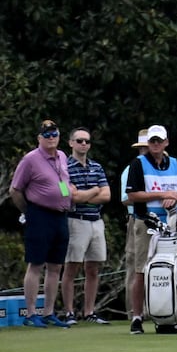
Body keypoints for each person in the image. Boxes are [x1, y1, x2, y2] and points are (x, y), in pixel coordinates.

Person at [122, 124, 177, 334]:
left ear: (166, 142)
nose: (156, 144)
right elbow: (132, 195)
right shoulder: (138, 164)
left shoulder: (175, 164)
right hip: (146, 222)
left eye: (159, 140)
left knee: (175, 266)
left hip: (171, 222)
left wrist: (174, 198)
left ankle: (176, 312)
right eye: (152, 141)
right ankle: (137, 317)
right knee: (142, 269)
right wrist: (162, 195)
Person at [8, 120, 76, 327]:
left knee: (55, 266)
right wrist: (28, 212)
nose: (51, 138)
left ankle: (48, 312)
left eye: (54, 134)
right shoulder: (30, 159)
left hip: (60, 215)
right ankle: (30, 314)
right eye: (46, 135)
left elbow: (63, 183)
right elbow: (15, 189)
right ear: (39, 138)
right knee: (36, 263)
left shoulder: (62, 156)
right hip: (40, 214)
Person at [62, 127, 112, 325]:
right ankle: (69, 312)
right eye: (80, 140)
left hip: (96, 221)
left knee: (93, 268)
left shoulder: (96, 166)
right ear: (71, 143)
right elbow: (69, 196)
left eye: (87, 141)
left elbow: (107, 196)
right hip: (75, 220)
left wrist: (84, 195)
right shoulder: (63, 167)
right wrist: (94, 190)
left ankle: (89, 311)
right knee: (71, 267)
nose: (84, 144)